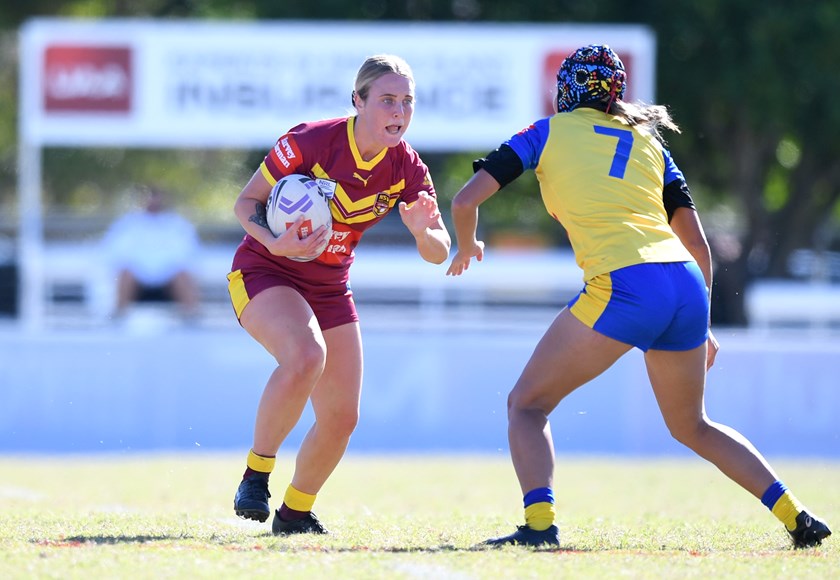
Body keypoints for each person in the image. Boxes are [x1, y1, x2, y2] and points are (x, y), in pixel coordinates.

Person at [446, 45, 831, 549]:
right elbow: (696, 243)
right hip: (686, 283)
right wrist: (705, 323)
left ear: (566, 89)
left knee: (527, 405)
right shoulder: (651, 144)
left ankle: (539, 528)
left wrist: (468, 240)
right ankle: (796, 516)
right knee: (694, 425)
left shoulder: (546, 132)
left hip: (626, 283)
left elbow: (464, 198)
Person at [227, 54, 451, 535]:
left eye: (407, 102)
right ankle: (256, 474)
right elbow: (245, 203)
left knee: (342, 416)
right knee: (307, 356)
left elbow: (439, 251)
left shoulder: (408, 168)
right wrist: (274, 239)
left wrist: (421, 234)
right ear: (358, 101)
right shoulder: (312, 140)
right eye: (388, 100)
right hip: (266, 269)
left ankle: (294, 514)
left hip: (329, 286)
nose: (399, 111)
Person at [102, 186, 201, 320]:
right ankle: (119, 316)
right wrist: (142, 269)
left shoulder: (177, 224)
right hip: (137, 278)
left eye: (156, 197)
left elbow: (188, 253)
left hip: (169, 278)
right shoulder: (128, 223)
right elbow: (116, 252)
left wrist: (164, 270)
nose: (152, 201)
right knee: (125, 273)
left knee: (182, 275)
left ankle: (191, 317)